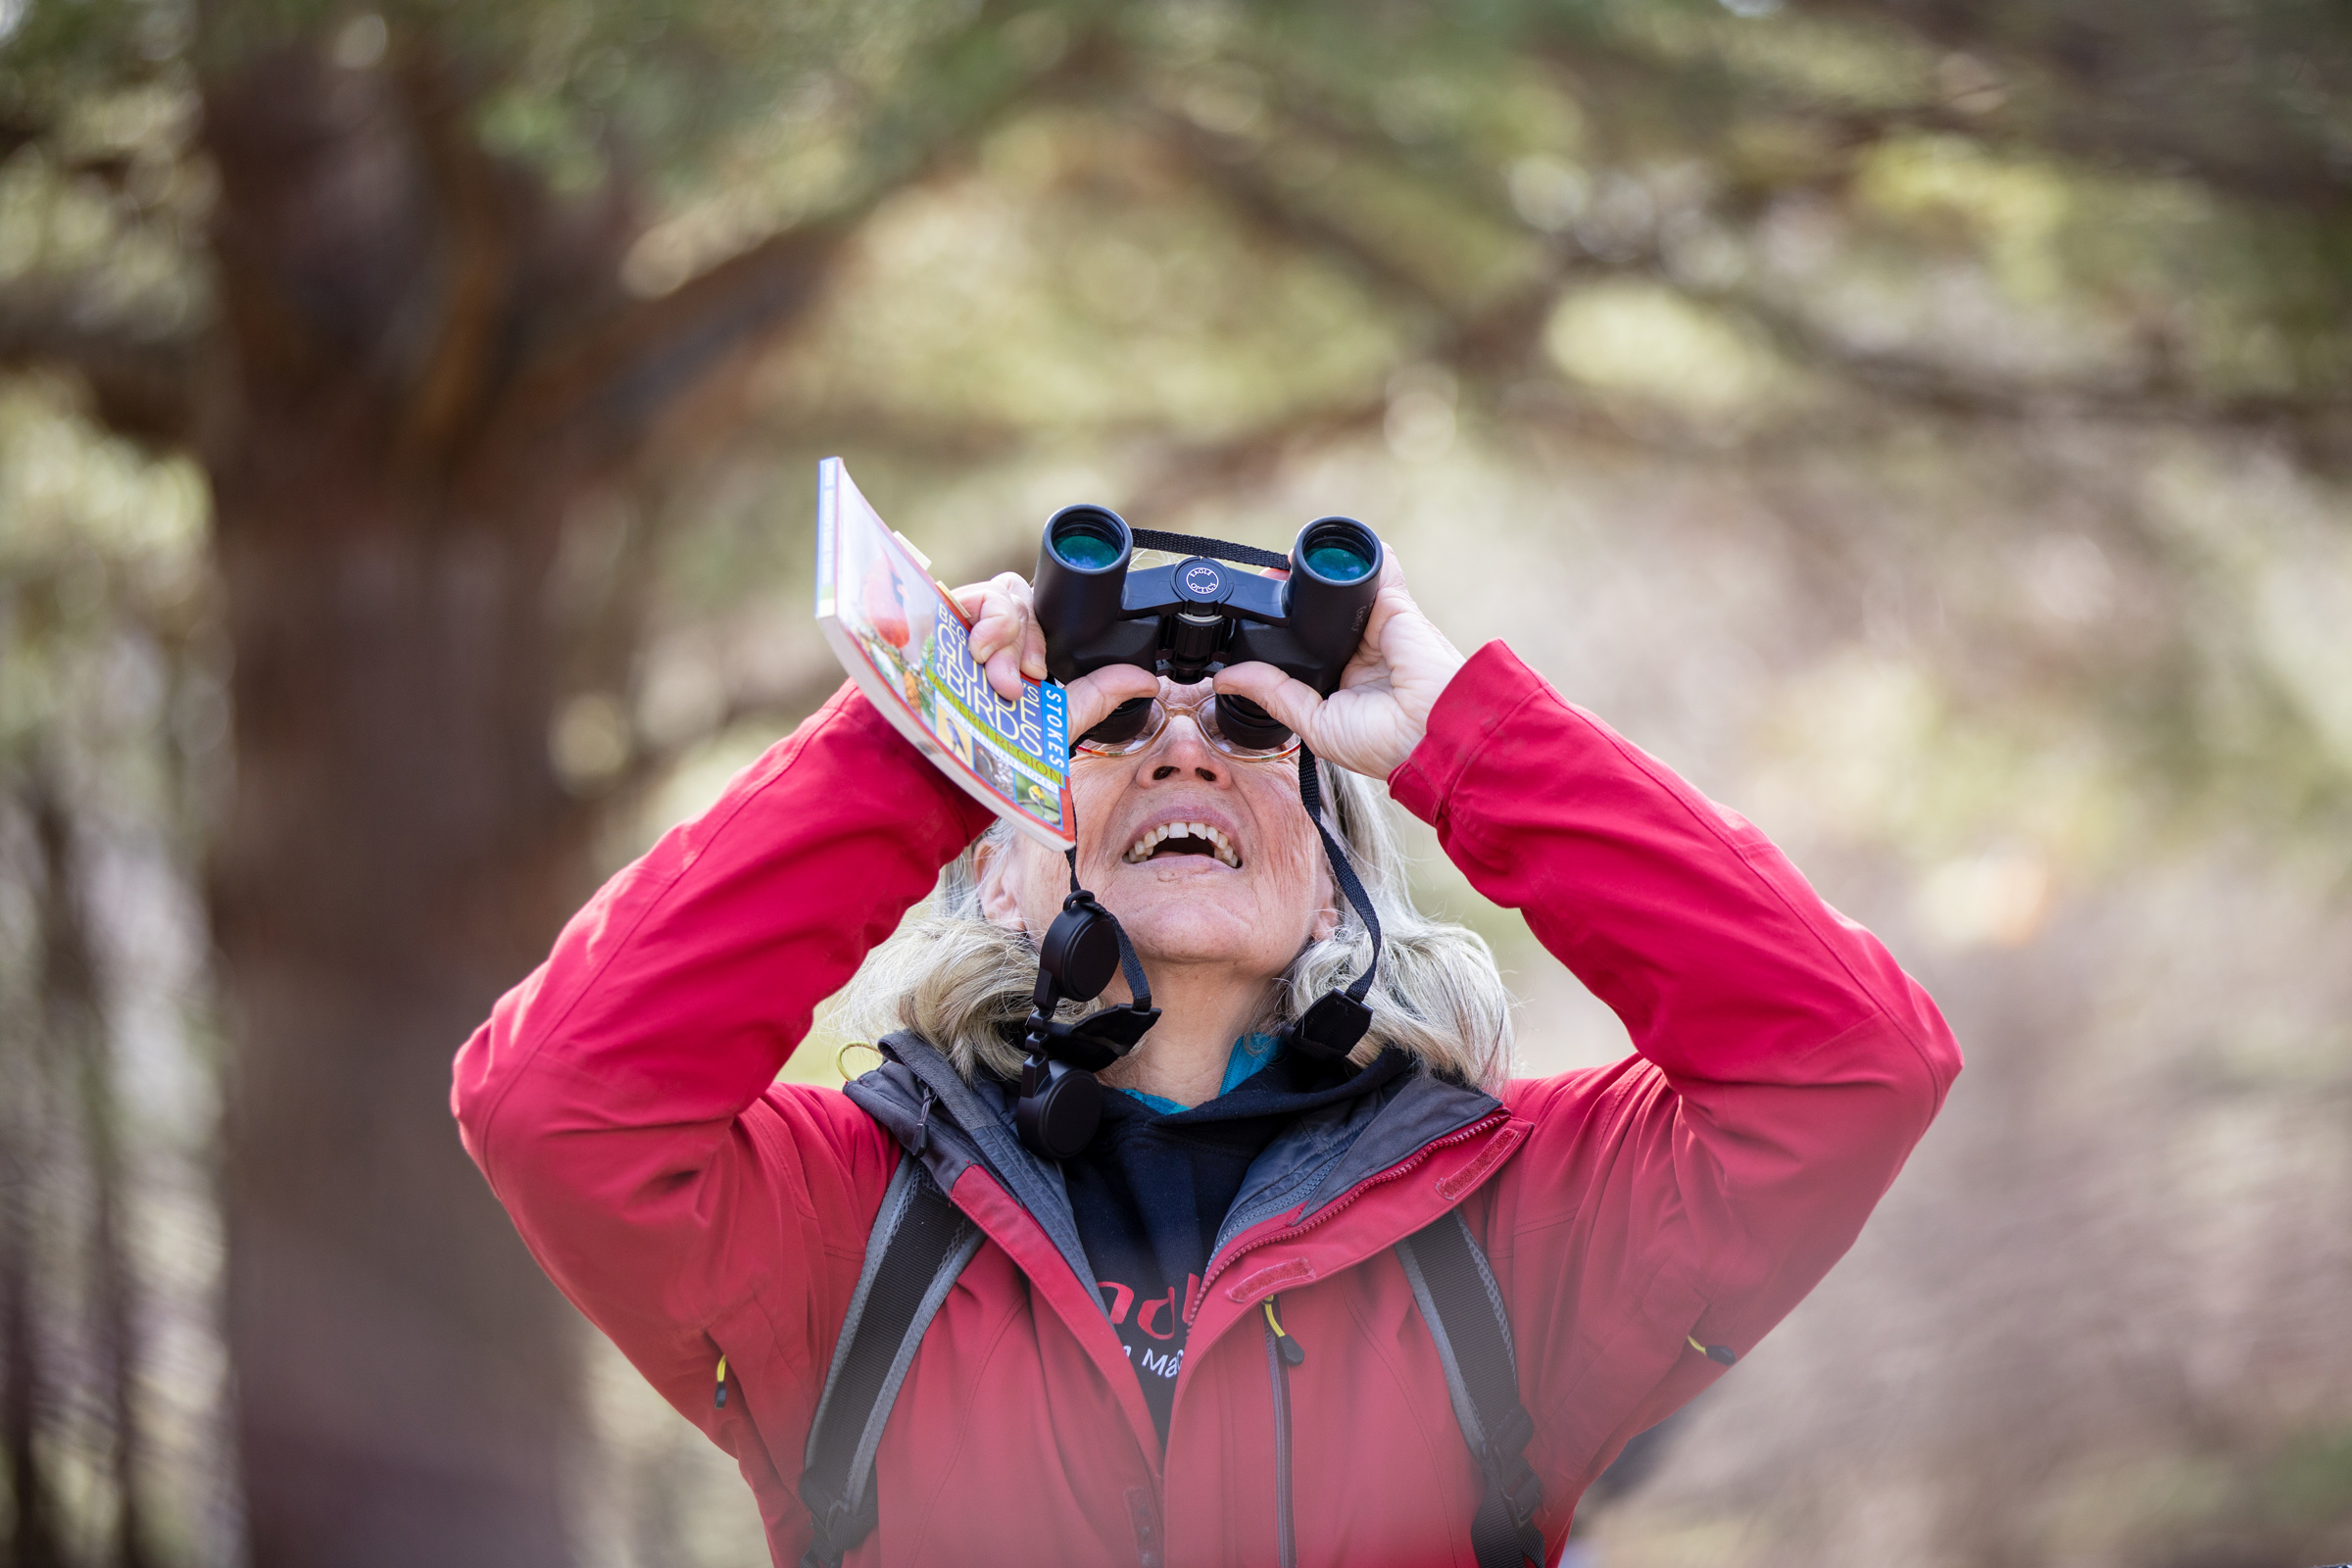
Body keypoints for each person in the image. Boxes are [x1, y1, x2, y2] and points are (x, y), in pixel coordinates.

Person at [453, 550, 1960, 1567]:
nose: (1186, 752)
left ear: (1338, 876)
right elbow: (556, 1103)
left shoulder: (1511, 1224)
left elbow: (1849, 1063)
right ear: (993, 869)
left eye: (1250, 725)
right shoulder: (849, 1226)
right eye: (1106, 736)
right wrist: (902, 751)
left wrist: (1470, 740)